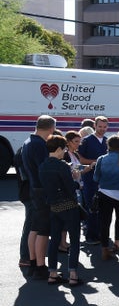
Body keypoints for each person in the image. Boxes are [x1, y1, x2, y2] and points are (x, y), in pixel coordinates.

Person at [38, 135, 83, 286]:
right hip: (69, 206)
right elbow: (70, 188)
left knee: (54, 240)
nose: (64, 152)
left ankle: (52, 273)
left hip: (53, 206)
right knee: (75, 240)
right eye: (63, 149)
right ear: (58, 149)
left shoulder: (43, 165)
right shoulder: (62, 166)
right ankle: (73, 275)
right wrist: (77, 181)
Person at [21, 114, 57, 280]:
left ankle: (34, 263)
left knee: (34, 228)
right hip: (42, 190)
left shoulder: (28, 142)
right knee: (43, 231)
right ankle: (41, 267)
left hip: (34, 188)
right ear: (51, 128)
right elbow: (45, 169)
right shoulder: (39, 144)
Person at [77, 115, 109, 245]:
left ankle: (101, 234)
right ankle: (91, 236)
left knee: (103, 209)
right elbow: (80, 159)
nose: (102, 129)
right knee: (91, 207)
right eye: (100, 126)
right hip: (90, 179)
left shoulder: (108, 141)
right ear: (94, 126)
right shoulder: (86, 140)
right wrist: (97, 162)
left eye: (105, 127)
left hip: (105, 180)